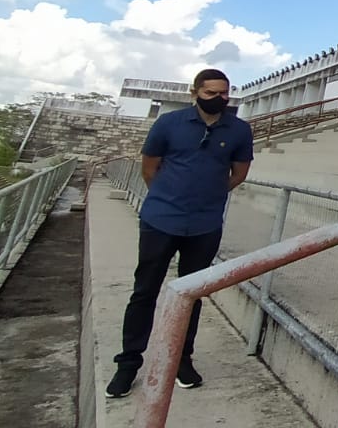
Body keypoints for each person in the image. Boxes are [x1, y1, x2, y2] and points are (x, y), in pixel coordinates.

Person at [105, 68, 253, 398]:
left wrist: (209, 197)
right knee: (144, 292)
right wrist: (168, 199)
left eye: (225, 94)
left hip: (205, 225)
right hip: (161, 221)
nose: (219, 99)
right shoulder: (168, 124)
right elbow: (149, 168)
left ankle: (181, 360)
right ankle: (128, 364)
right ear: (195, 92)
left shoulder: (240, 130)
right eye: (212, 93)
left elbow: (239, 173)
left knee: (192, 294)